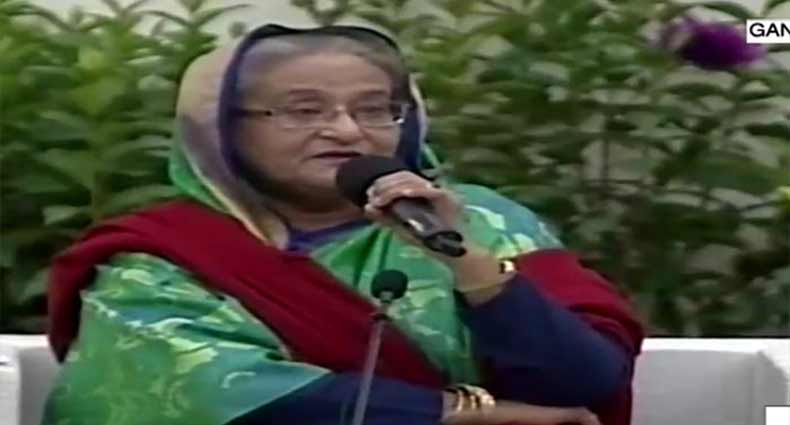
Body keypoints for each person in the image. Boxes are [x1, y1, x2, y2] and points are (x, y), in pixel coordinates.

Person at [44, 24, 644, 425]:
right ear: (223, 128)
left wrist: (467, 262)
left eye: (374, 109)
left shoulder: (482, 219)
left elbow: (585, 385)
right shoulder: (163, 252)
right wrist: (458, 413)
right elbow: (205, 394)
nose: (347, 131)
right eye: (304, 110)